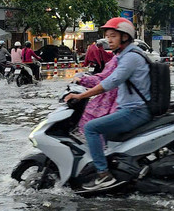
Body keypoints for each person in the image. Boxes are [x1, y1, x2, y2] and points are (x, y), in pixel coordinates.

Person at [65, 17, 152, 191]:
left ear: (125, 37)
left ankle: (104, 175)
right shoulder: (124, 56)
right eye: (107, 36)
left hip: (135, 110)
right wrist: (82, 80)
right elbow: (105, 78)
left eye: (113, 36)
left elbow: (110, 82)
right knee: (103, 135)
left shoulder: (130, 58)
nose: (109, 40)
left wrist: (82, 96)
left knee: (91, 128)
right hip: (130, 108)